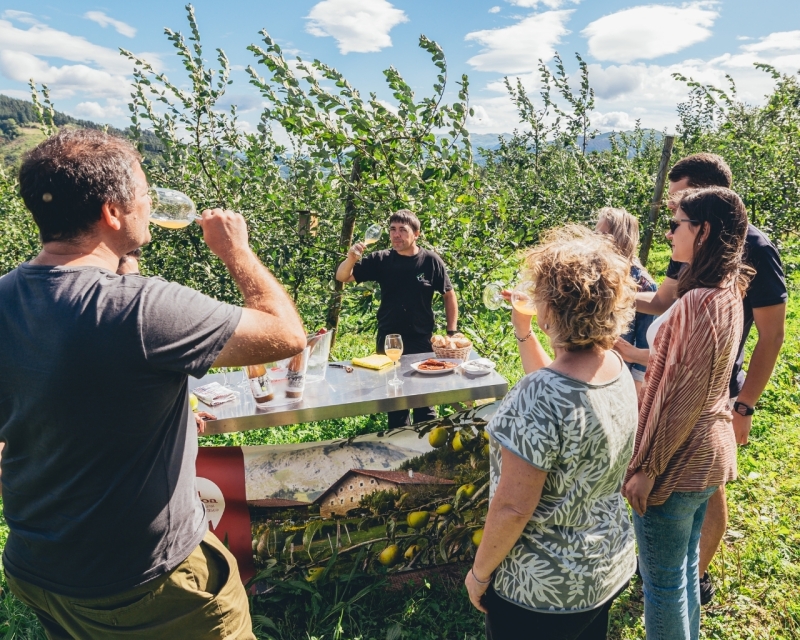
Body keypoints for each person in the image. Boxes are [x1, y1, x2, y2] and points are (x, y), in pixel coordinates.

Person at [0, 129, 307, 639]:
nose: (150, 203)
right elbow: (287, 334)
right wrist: (236, 252)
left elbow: (60, 387)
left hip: (41, 567)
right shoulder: (145, 309)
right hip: (149, 584)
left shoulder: (8, 296)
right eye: (143, 193)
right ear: (112, 213)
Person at [628, 153, 787, 604]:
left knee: (706, 484)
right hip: (687, 373)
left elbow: (772, 336)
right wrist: (603, 290)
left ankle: (693, 576)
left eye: (680, 205)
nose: (671, 220)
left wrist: (745, 406)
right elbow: (662, 302)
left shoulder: (755, 249)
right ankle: (679, 577)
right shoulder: (691, 243)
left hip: (717, 385)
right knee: (699, 480)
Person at [465, 226, 639, 640]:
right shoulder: (617, 371)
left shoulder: (538, 393)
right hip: (604, 566)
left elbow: (512, 508)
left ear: (551, 309)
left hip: (542, 588)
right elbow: (559, 391)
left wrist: (479, 573)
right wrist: (524, 333)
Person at [624, 187, 750, 640]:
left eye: (677, 223)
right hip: (710, 455)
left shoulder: (697, 302)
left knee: (661, 585)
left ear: (704, 231)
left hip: (680, 462)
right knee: (684, 572)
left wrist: (647, 467)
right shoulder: (729, 292)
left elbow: (679, 396)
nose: (669, 232)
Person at [335, 209, 458, 428]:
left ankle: (426, 451)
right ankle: (401, 453)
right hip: (389, 339)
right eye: (392, 229)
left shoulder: (430, 261)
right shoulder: (381, 259)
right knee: (395, 401)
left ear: (416, 234)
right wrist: (351, 257)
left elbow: (448, 294)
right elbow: (342, 276)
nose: (396, 235)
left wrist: (451, 332)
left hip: (422, 340)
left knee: (424, 403)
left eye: (403, 230)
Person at [595, 207, 657, 398]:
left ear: (621, 238)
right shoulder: (591, 274)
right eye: (595, 233)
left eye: (603, 234)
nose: (596, 239)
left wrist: (635, 389)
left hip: (619, 376)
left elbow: (645, 340)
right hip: (589, 368)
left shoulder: (642, 285)